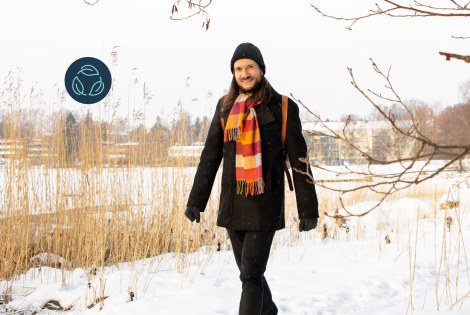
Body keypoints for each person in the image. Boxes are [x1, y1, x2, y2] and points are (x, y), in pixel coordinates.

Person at [185, 42, 319, 315]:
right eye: (238, 69)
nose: (244, 73)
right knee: (250, 275)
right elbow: (210, 157)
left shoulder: (283, 107)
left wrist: (308, 209)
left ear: (261, 69)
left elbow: (300, 161)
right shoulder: (225, 108)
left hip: (264, 205)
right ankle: (269, 312)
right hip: (233, 205)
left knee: (250, 276)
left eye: (249, 67)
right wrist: (195, 202)